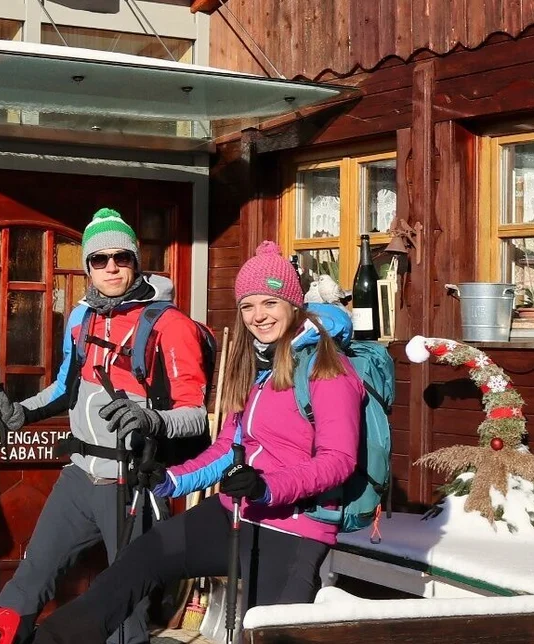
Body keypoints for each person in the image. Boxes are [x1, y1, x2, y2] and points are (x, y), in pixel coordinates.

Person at [30, 241, 365, 644]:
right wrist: (168, 481)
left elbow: (339, 460)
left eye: (269, 303)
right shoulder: (259, 368)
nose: (258, 316)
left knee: (262, 635)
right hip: (234, 511)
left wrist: (267, 486)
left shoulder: (329, 372)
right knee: (140, 558)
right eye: (248, 306)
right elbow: (228, 448)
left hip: (292, 529)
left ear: (292, 305)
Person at [0, 208, 210, 644]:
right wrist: (20, 413)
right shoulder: (82, 319)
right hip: (78, 475)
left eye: (121, 257)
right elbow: (65, 388)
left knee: (124, 603)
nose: (111, 268)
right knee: (30, 578)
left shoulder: (170, 325)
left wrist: (150, 419)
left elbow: (195, 413)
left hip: (130, 482)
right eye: (99, 260)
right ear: (87, 267)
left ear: (136, 261)